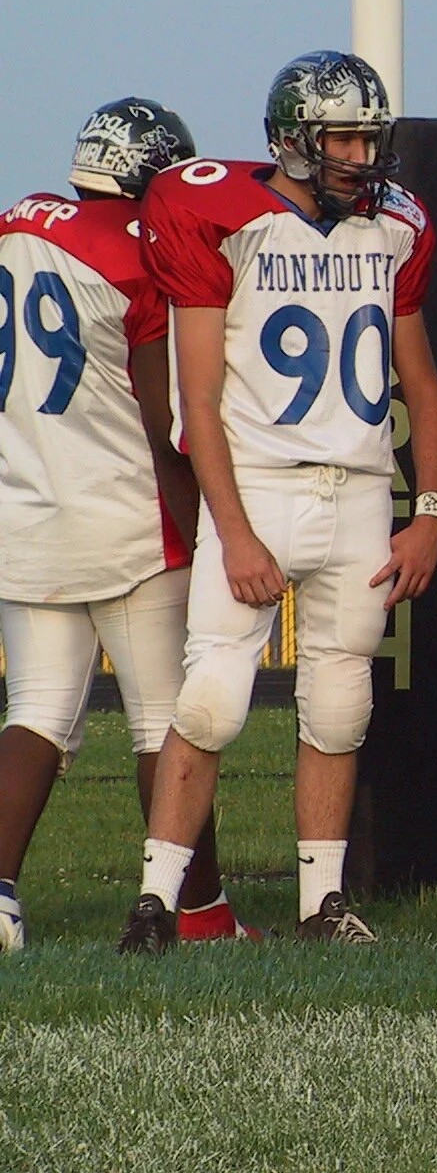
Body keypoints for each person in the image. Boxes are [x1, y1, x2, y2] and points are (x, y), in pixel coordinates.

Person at [116, 52, 437, 954]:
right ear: (293, 138)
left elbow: (423, 383)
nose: (360, 156)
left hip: (360, 489)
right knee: (211, 699)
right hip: (259, 483)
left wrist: (430, 512)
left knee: (341, 703)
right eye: (343, 138)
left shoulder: (394, 227)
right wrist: (232, 531)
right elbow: (198, 400)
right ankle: (155, 903)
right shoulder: (224, 219)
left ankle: (321, 903)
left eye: (369, 139)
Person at [0, 99, 253, 949]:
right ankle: (202, 911)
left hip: (26, 505)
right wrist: (210, 529)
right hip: (127, 516)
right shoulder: (140, 254)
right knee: (166, 723)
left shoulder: (14, 226)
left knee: (37, 711)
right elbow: (164, 415)